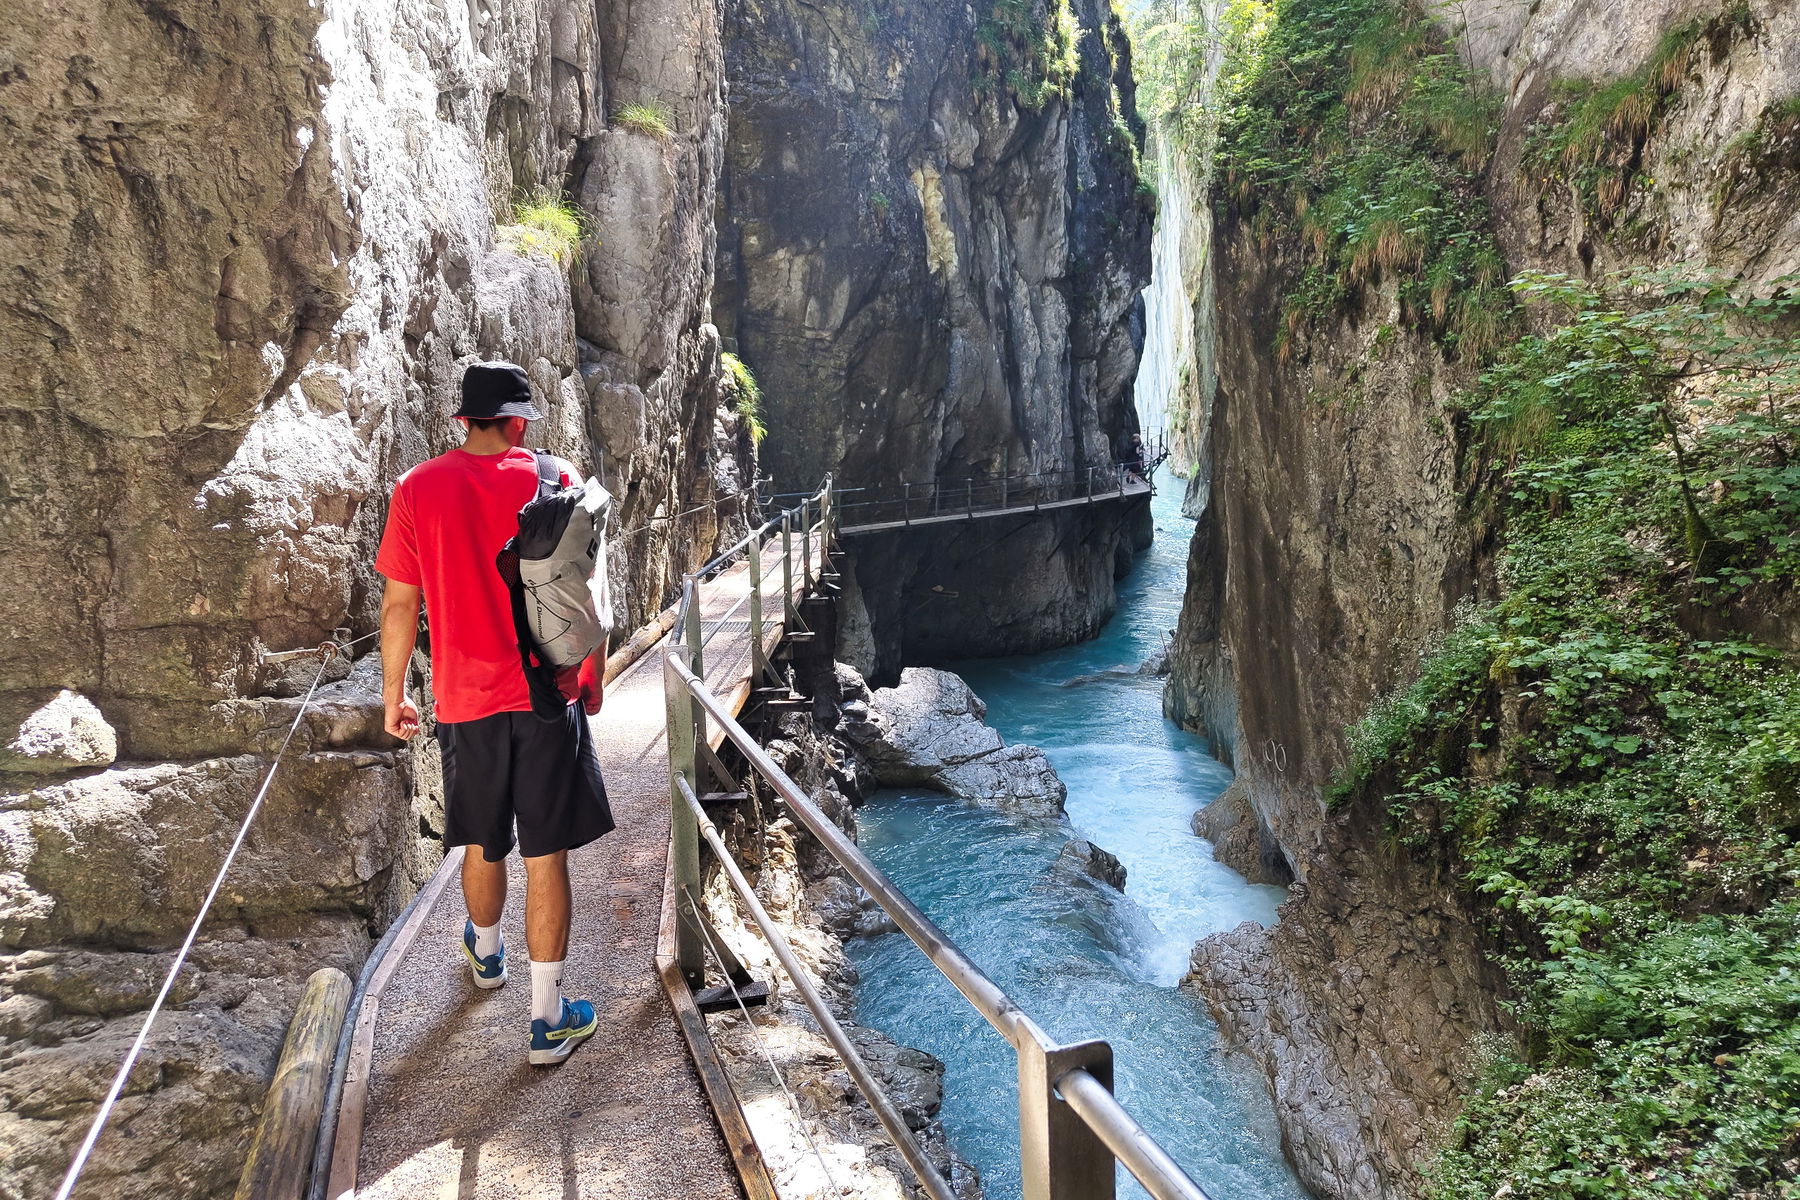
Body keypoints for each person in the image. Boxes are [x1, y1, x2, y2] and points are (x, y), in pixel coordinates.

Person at [375, 360, 613, 1066]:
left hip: (463, 700)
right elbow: (584, 592)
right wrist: (590, 674)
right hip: (544, 694)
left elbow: (398, 604)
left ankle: (485, 957)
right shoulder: (555, 478)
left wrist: (395, 695)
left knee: (481, 841)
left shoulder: (416, 489)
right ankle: (546, 1023)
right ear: (517, 421)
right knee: (547, 857)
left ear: (462, 421)